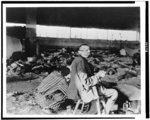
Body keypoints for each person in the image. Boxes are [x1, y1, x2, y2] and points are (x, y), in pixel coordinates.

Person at [67, 44, 118, 114]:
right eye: (85, 50)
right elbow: (86, 82)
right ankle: (105, 114)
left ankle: (103, 109)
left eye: (88, 50)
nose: (88, 51)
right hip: (84, 92)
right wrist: (98, 75)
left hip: (75, 90)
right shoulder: (81, 62)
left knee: (104, 86)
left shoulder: (77, 60)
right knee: (114, 93)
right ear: (79, 52)